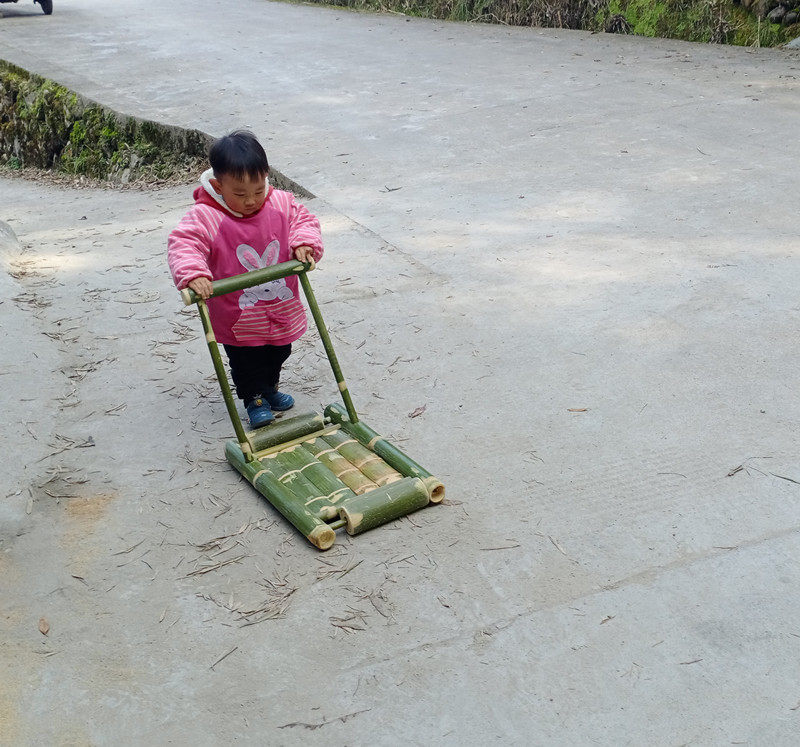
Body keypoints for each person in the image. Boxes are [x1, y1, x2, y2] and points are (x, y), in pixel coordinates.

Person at [167, 130, 323, 427]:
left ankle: (270, 388)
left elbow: (303, 220)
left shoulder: (280, 203)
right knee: (246, 358)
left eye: (258, 190)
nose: (251, 200)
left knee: (280, 348)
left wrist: (303, 242)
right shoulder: (206, 216)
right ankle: (254, 397)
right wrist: (194, 274)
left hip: (280, 303)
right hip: (236, 311)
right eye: (239, 194)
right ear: (217, 185)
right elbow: (185, 243)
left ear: (266, 177)